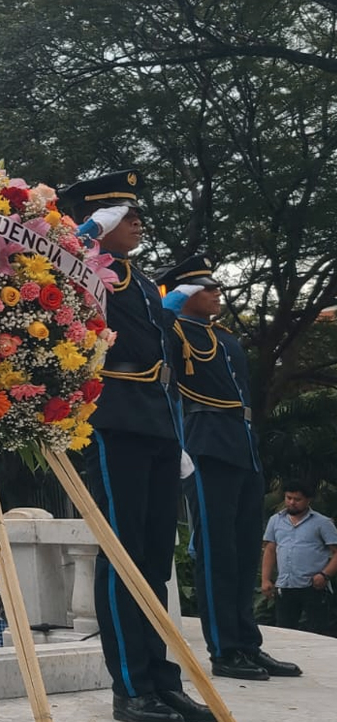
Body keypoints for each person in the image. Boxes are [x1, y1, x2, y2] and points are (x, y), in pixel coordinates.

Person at [57, 172, 209, 722]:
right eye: (129, 216)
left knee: (153, 560)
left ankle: (159, 677)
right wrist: (87, 233)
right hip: (115, 421)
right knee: (122, 559)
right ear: (107, 221)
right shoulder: (90, 267)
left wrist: (176, 432)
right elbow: (53, 260)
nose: (140, 224)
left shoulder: (141, 280)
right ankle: (130, 688)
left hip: (158, 424)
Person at [159, 256, 301, 680]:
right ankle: (224, 650)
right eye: (206, 287)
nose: (216, 291)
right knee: (216, 551)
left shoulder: (223, 337)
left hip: (241, 446)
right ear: (185, 294)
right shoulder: (176, 331)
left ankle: (246, 643)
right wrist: (168, 311)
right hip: (205, 447)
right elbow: (152, 348)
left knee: (242, 551)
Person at [262, 481, 337, 634]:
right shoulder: (275, 520)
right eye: (288, 498)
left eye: (297, 499)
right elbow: (270, 549)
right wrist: (265, 579)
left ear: (308, 500)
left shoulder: (322, 523)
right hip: (286, 585)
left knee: (317, 633)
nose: (292, 503)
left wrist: (325, 575)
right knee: (284, 632)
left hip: (313, 586)